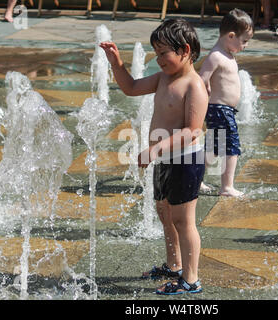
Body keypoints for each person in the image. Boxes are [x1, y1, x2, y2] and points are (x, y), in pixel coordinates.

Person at [100, 18, 208, 295]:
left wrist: (157, 148)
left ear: (184, 50)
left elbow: (193, 130)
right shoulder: (163, 78)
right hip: (164, 159)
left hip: (185, 160)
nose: (158, 60)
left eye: (163, 53)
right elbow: (131, 88)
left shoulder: (194, 86)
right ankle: (174, 265)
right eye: (156, 53)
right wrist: (116, 62)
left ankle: (191, 279)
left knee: (184, 220)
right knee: (165, 213)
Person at [199, 8, 253, 198]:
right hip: (220, 110)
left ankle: (195, 179)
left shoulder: (227, 54)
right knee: (232, 147)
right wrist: (205, 93)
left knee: (213, 149)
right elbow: (200, 80)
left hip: (222, 110)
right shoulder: (216, 56)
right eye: (244, 41)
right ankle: (227, 187)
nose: (246, 45)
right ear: (231, 36)